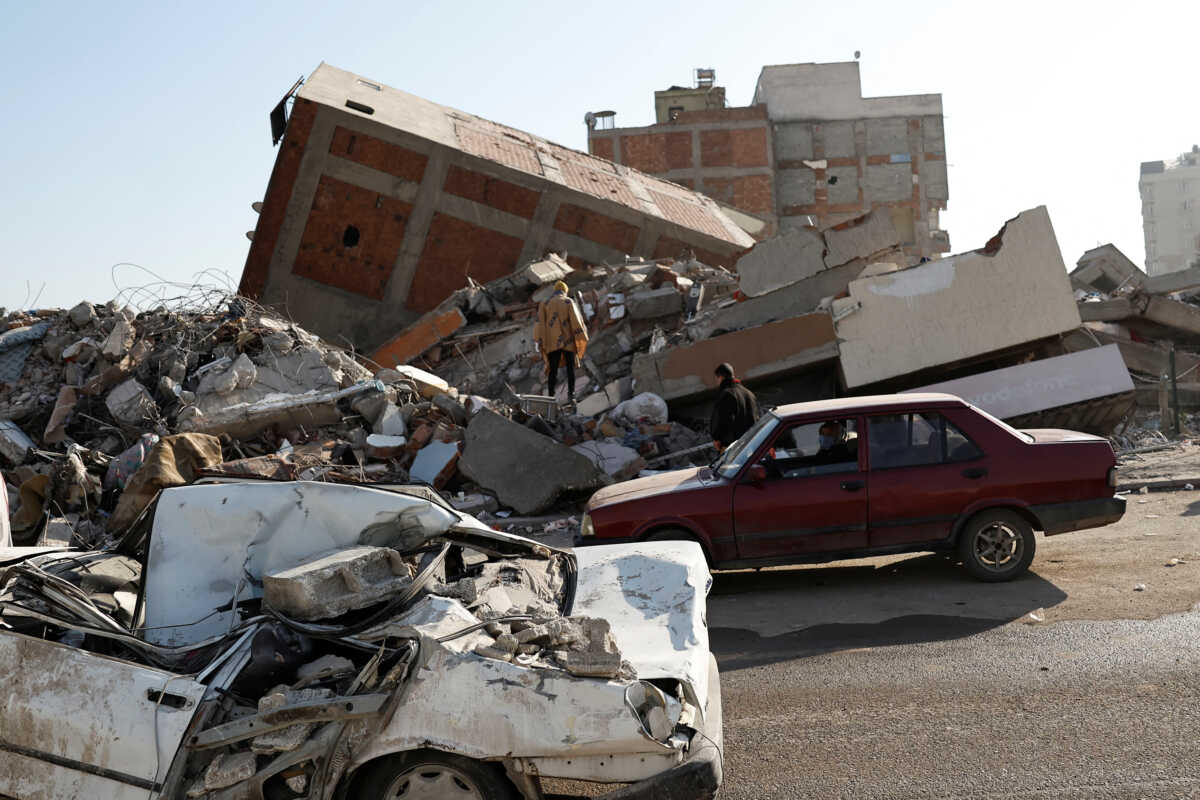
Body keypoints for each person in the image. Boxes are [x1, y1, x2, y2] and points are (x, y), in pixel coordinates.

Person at [534, 280, 589, 402]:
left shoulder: (545, 303)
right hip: (568, 342)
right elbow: (576, 321)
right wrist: (582, 334)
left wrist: (538, 340)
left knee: (552, 369)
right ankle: (571, 395)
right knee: (570, 369)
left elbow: (540, 324)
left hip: (552, 343)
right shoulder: (569, 302)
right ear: (565, 291)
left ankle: (551, 397)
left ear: (555, 290)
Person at [709, 363, 758, 451]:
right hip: (752, 443)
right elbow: (756, 418)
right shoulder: (749, 393)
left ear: (720, 377)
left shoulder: (726, 394)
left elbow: (724, 419)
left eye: (717, 379)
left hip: (734, 448)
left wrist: (717, 438)